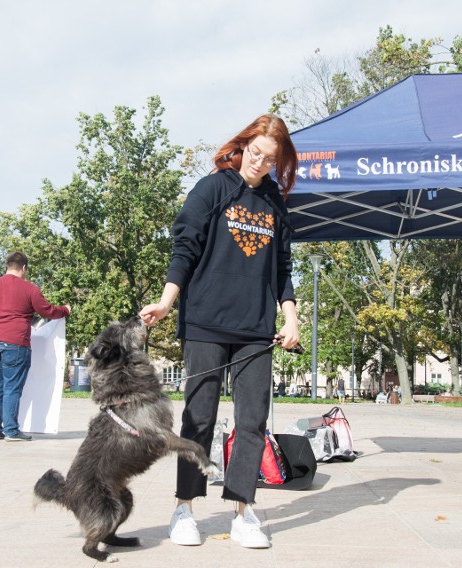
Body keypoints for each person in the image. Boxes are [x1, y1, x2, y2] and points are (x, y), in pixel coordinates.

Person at [140, 114, 300, 550]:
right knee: (200, 418)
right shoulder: (213, 187)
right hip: (206, 322)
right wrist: (167, 299)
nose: (259, 164)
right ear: (243, 145)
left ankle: (244, 512)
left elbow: (282, 268)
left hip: (255, 329)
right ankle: (184, 507)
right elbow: (185, 244)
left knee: (253, 420)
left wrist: (290, 317)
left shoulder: (275, 203)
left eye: (269, 160)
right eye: (254, 153)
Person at [0, 251, 71, 442]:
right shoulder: (30, 289)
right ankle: (11, 430)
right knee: (12, 388)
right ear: (24, 268)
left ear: (7, 267)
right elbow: (46, 310)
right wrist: (65, 310)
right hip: (15, 343)